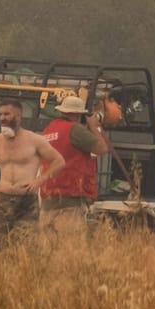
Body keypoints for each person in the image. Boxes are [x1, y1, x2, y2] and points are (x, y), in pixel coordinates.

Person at [0, 99, 64, 245]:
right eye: (0, 114)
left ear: (18, 116)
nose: (2, 118)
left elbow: (59, 161)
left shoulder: (34, 140)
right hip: (3, 199)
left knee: (27, 244)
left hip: (26, 200)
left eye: (6, 114)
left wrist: (39, 180)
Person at [39, 93, 110, 236]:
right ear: (78, 115)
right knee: (70, 247)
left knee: (48, 248)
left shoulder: (49, 129)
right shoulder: (75, 130)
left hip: (48, 197)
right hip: (69, 197)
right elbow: (102, 149)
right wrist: (94, 127)